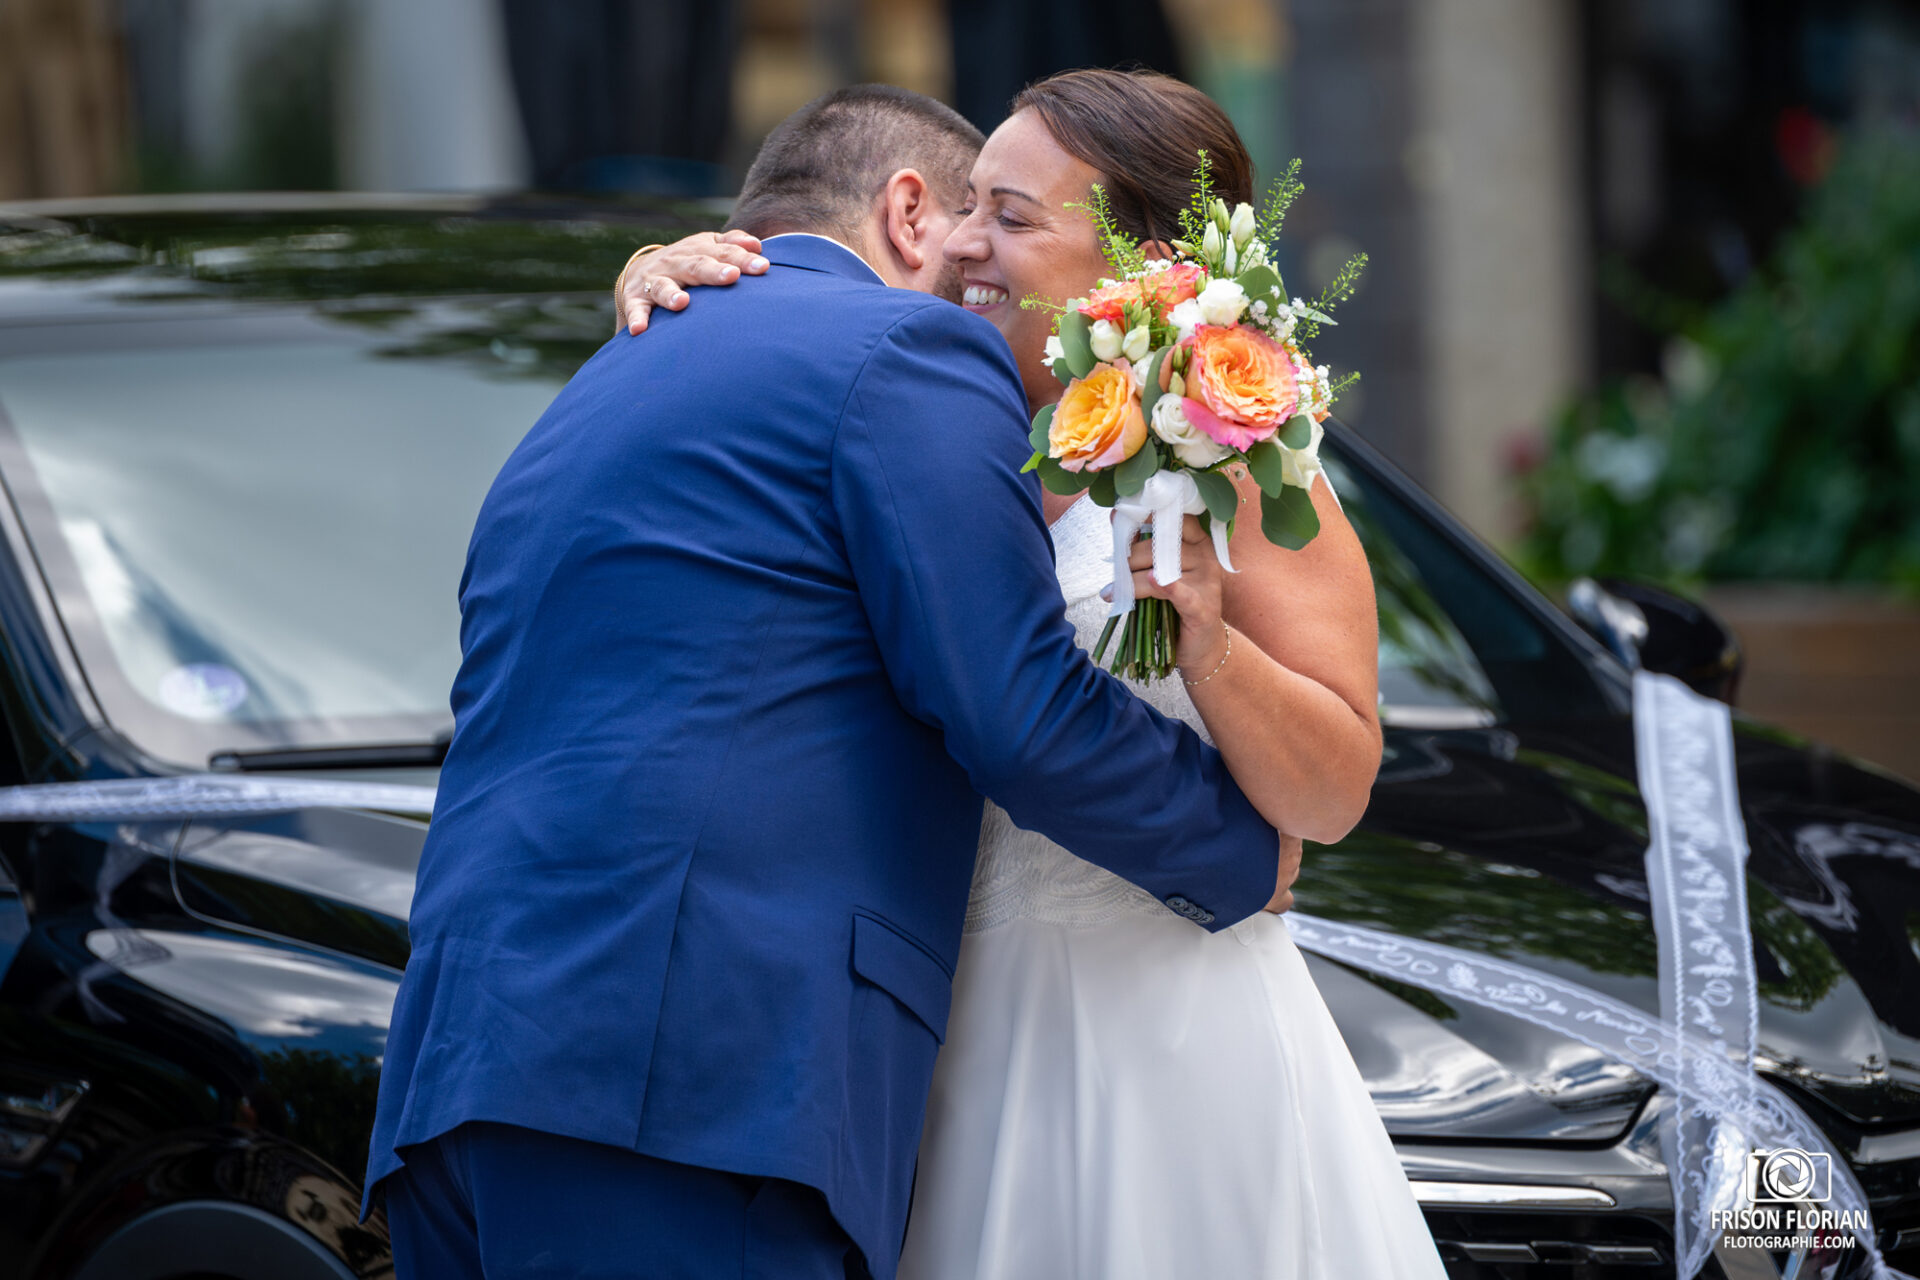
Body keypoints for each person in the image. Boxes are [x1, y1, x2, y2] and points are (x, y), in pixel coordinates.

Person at [364, 83, 1291, 1280]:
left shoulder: (614, 369)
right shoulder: (909, 349)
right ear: (911, 211)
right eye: (977, 221)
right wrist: (1244, 844)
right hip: (691, 1090)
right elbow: (1015, 709)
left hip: (464, 1071)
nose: (979, 267)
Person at [617, 69, 1449, 1278]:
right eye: (968, 209)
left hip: (1170, 1048)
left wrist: (1207, 641)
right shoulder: (929, 427)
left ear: (1150, 262)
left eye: (1010, 216)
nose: (961, 242)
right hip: (946, 1040)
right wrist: (679, 279)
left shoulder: (1242, 467)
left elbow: (1331, 796)